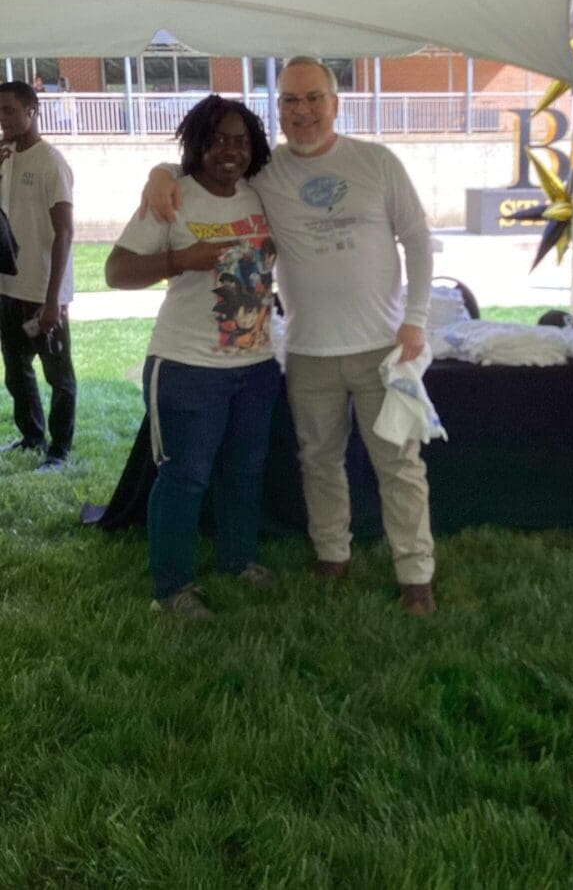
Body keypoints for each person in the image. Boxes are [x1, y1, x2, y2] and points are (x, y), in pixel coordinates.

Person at [143, 57, 436, 615]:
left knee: (399, 465)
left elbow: (419, 242)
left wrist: (415, 320)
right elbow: (205, 166)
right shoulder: (266, 173)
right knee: (318, 461)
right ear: (278, 108)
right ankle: (332, 556)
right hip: (306, 351)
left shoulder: (376, 162)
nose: (303, 111)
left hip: (383, 347)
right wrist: (160, 170)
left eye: (313, 98)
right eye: (290, 101)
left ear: (335, 101)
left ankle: (416, 574)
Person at [106, 96, 281, 619]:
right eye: (219, 138)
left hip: (253, 364)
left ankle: (237, 559)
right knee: (185, 477)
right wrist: (182, 259)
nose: (231, 149)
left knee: (245, 471)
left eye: (242, 140)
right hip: (186, 366)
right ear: (198, 142)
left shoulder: (259, 194)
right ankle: (172, 588)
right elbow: (116, 272)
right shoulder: (173, 197)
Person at [0, 81, 76, 471]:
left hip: (43, 287)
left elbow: (64, 231)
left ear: (32, 111)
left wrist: (53, 299)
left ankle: (59, 450)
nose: (3, 118)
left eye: (10, 110)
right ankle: (32, 437)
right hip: (8, 287)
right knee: (16, 371)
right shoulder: (5, 157)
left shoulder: (51, 162)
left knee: (58, 377)